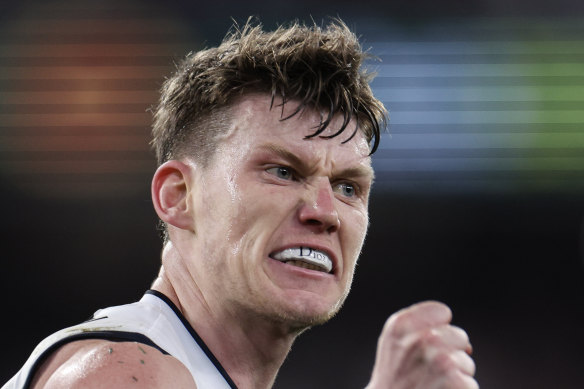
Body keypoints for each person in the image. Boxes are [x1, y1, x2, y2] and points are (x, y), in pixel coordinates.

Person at [3, 19, 478, 389]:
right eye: (283, 171)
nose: (325, 211)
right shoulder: (127, 370)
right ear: (179, 197)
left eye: (349, 187)